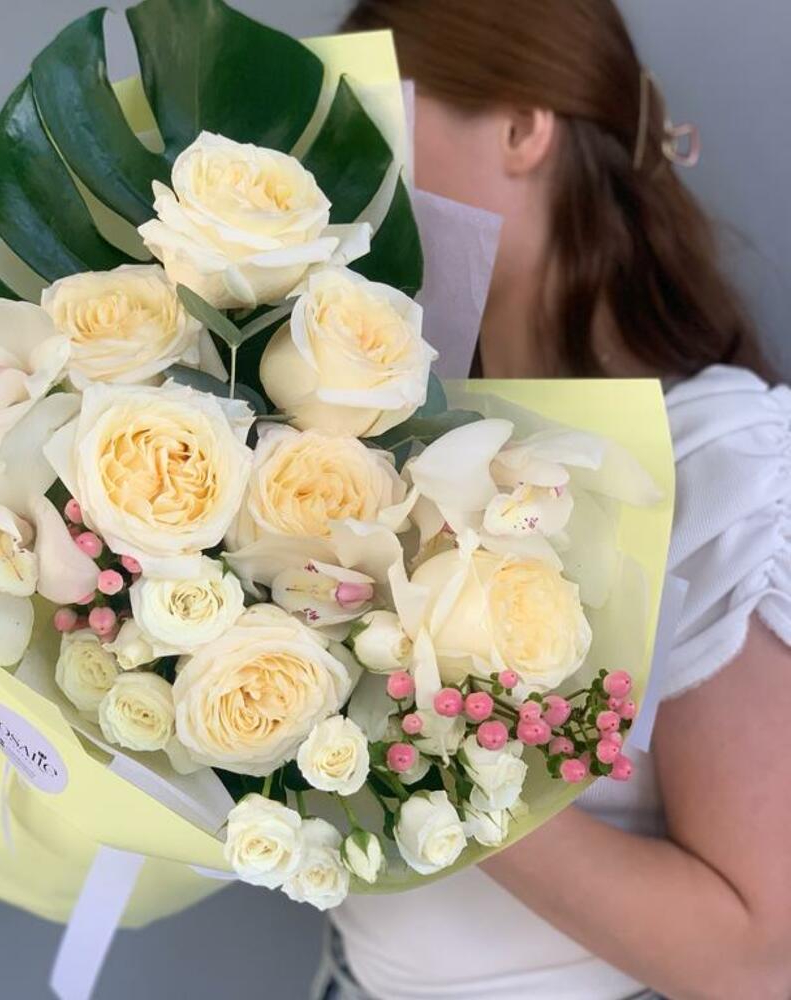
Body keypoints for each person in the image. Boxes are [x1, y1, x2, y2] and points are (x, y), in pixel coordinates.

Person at [312, 2, 791, 998]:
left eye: (378, 124)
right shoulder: (401, 439)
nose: (345, 187)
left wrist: (420, 754)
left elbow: (758, 955)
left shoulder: (713, 462)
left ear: (523, 129)